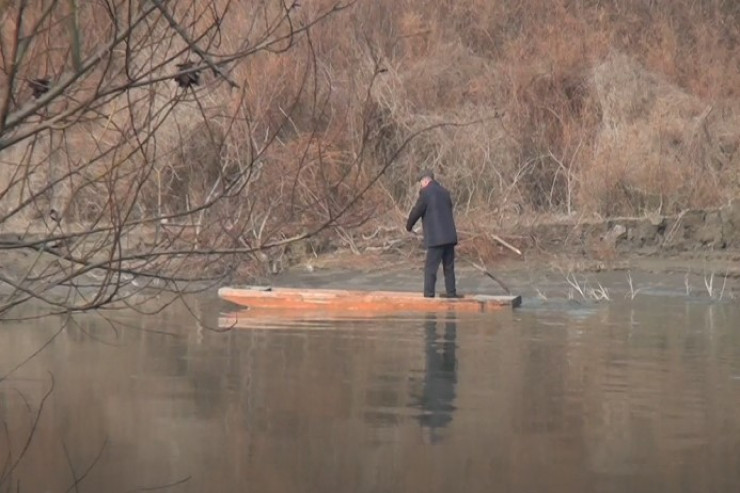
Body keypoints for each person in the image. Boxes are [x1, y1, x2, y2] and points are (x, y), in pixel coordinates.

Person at [405, 170, 459, 298]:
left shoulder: (426, 194)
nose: (420, 185)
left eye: (421, 183)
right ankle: (451, 294)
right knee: (449, 267)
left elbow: (416, 212)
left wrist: (409, 226)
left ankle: (429, 296)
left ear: (425, 180)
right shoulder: (445, 192)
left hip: (436, 238)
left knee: (430, 269)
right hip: (450, 237)